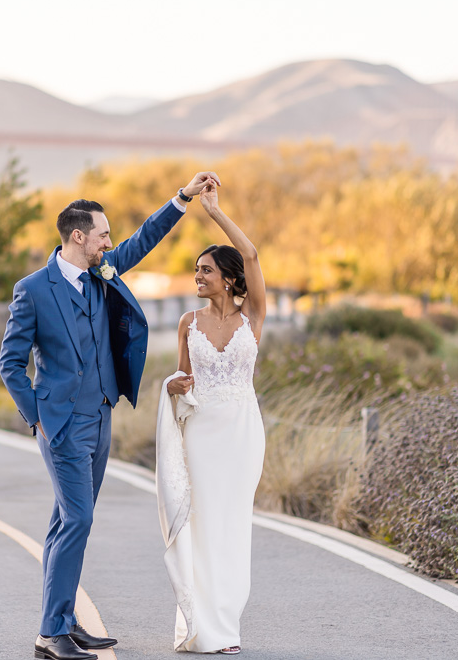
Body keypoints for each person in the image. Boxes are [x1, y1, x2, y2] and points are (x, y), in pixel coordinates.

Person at [0, 171, 222, 660]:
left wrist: (182, 198)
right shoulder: (33, 289)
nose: (109, 242)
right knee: (77, 520)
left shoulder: (104, 272)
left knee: (67, 522)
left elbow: (144, 239)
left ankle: (65, 621)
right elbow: (10, 363)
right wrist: (37, 415)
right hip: (60, 424)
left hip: (100, 418)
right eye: (102, 234)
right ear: (78, 237)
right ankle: (50, 633)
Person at [157, 179, 266, 654]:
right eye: (196, 269)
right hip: (201, 434)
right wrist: (172, 385)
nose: (197, 276)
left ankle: (228, 625)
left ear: (228, 276)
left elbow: (255, 255)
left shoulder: (252, 317)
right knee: (203, 523)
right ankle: (199, 622)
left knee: (232, 522)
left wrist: (214, 211)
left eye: (205, 270)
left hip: (242, 433)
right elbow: (183, 382)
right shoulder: (188, 323)